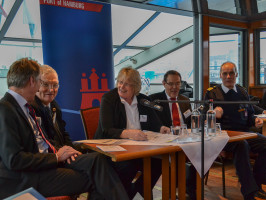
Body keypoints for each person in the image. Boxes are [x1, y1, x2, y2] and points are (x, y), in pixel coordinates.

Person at [0, 58, 129, 200]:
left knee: (98, 163)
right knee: (99, 177)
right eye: (40, 82)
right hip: (27, 178)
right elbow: (13, 160)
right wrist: (56, 157)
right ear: (32, 81)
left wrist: (63, 153)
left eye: (54, 85)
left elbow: (41, 142)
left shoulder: (22, 107)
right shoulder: (5, 109)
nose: (38, 88)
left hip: (43, 165)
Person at [204, 61, 266, 200]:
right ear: (220, 75)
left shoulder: (242, 91)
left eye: (231, 73)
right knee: (242, 144)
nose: (228, 76)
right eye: (225, 73)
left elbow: (249, 114)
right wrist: (213, 114)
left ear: (236, 74)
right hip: (224, 136)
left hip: (244, 133)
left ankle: (256, 185)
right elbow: (203, 120)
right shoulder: (212, 94)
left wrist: (255, 120)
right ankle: (249, 192)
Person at [94, 66, 170, 198]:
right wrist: (129, 133)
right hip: (114, 149)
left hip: (139, 149)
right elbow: (107, 129)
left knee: (159, 164)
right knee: (127, 167)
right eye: (120, 82)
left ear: (135, 87)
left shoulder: (144, 100)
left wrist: (161, 128)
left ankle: (131, 193)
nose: (122, 86)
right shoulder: (108, 99)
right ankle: (122, 195)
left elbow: (155, 123)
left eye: (127, 84)